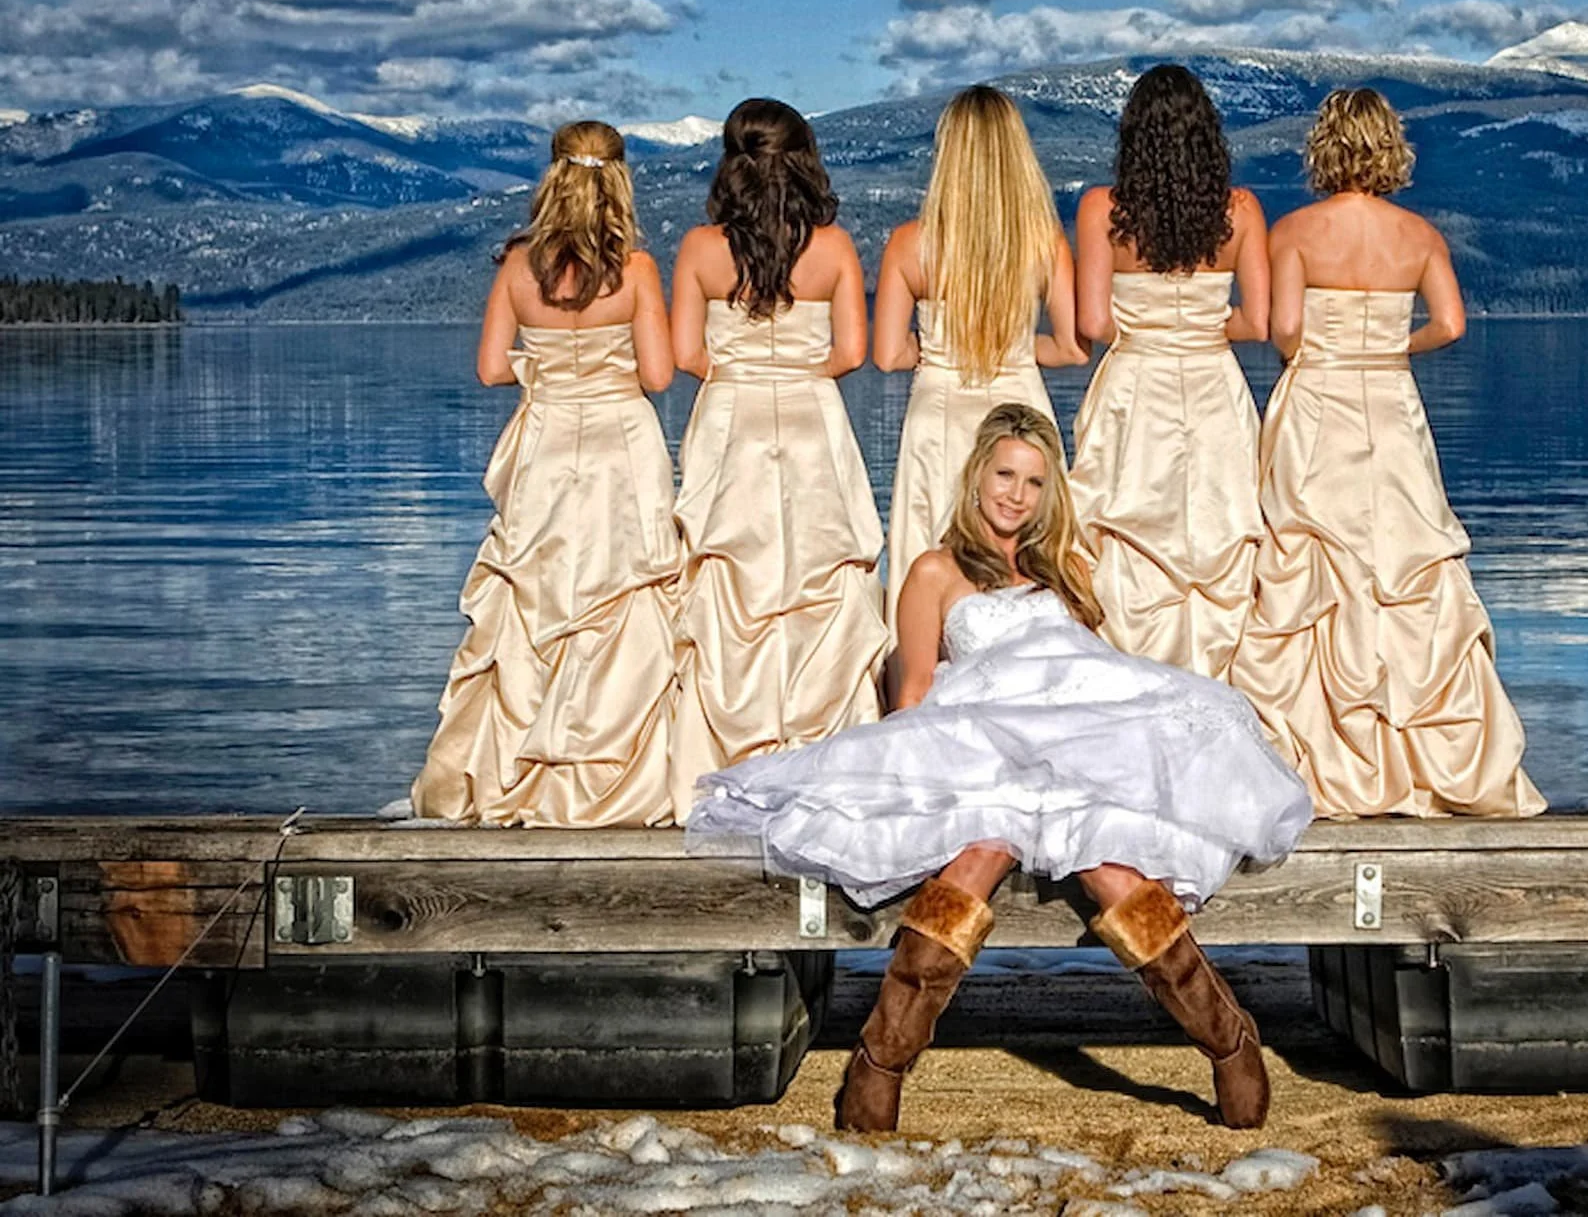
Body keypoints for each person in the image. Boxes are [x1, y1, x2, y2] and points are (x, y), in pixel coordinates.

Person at [689, 403, 1313, 1132]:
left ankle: (1230, 1043)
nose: (1016, 494)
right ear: (977, 475)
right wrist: (906, 773)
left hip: (1071, 758)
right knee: (979, 853)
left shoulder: (1065, 571)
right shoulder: (934, 570)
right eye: (1005, 474)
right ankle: (880, 1062)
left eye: (1034, 482)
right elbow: (915, 692)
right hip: (985, 750)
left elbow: (1092, 679)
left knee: (1113, 871)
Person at [1230, 89, 1545, 818]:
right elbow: (1453, 324)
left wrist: (1326, 351)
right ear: (1390, 148)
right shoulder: (1419, 234)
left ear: (1325, 148)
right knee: (1405, 569)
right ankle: (1426, 760)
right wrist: (1395, 347)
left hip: (1318, 406)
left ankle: (1332, 761)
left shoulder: (1297, 230)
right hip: (1393, 408)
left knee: (1316, 574)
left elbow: (1284, 331)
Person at [413, 120, 685, 826]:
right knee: (620, 607)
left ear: (551, 181)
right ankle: (614, 780)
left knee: (534, 609)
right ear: (619, 183)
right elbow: (657, 374)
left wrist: (549, 370)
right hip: (620, 451)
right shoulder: (638, 271)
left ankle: (514, 777)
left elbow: (489, 367)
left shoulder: (517, 268)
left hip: (544, 445)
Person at [668, 98, 887, 782]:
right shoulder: (834, 248)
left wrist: (739, 373)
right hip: (810, 420)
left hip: (729, 422)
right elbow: (851, 351)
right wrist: (795, 373)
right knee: (819, 577)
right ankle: (822, 748)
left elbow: (683, 353)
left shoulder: (701, 249)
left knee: (731, 578)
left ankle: (726, 749)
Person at [1069, 63, 1268, 679]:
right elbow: (1258, 323)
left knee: (1125, 527)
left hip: (1135, 387)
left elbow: (1094, 322)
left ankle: (1128, 671)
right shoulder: (1240, 211)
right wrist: (1202, 327)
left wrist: (1149, 328)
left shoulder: (1103, 208)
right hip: (1212, 384)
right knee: (1220, 524)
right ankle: (1220, 675)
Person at [875, 84, 1087, 627]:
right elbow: (1070, 347)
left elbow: (888, 355)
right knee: (1031, 560)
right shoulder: (1044, 242)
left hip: (937, 416)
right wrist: (1015, 348)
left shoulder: (909, 244)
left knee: (927, 568)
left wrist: (945, 349)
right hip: (1023, 414)